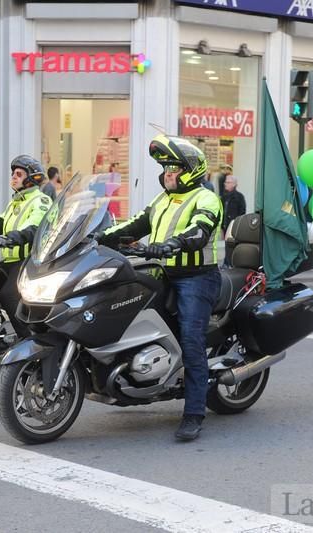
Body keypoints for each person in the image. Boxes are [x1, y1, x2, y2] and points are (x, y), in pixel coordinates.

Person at [98, 135, 223, 442]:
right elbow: (134, 225)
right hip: (163, 272)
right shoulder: (162, 200)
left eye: (174, 168)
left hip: (196, 278)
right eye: (166, 168)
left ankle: (194, 412)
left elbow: (200, 230)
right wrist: (96, 237)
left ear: (191, 171)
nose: (168, 173)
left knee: (191, 339)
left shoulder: (206, 198)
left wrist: (173, 244)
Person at [0, 155, 52, 337]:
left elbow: (35, 226)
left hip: (29, 262)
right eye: (13, 173)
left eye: (19, 174)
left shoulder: (40, 201)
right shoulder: (15, 202)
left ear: (31, 178)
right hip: (11, 261)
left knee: (9, 295)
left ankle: (29, 340)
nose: (14, 177)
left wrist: (13, 237)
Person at [221, 175, 246, 267]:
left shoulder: (239, 197)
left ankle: (232, 262)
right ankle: (226, 262)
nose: (225, 184)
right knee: (227, 244)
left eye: (228, 182)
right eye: (225, 182)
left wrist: (237, 224)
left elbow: (242, 212)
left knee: (233, 244)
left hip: (234, 225)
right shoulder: (223, 197)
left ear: (234, 184)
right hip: (225, 225)